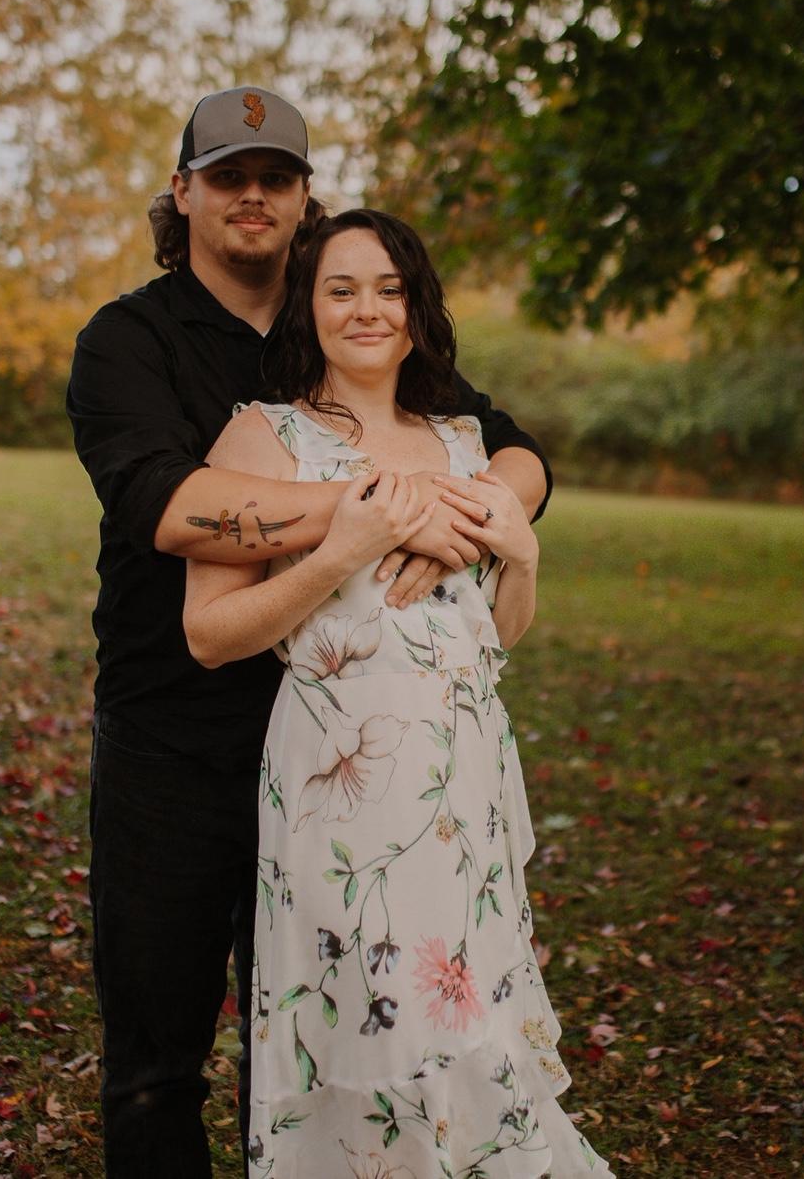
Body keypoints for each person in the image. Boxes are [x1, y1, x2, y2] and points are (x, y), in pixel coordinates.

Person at [66, 87, 552, 1177]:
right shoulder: (129, 340)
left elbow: (512, 452)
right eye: (228, 177)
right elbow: (164, 506)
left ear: (301, 197)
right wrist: (379, 510)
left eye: (274, 178)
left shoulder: (345, 310)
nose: (252, 196)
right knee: (157, 1055)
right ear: (183, 192)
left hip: (349, 758)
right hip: (174, 734)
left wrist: (484, 517)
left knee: (313, 1043)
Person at [183, 208, 613, 1177]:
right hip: (343, 792)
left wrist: (523, 558)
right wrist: (341, 549)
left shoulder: (463, 445)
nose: (367, 309)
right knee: (375, 1022)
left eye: (389, 288)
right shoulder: (263, 437)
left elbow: (494, 635)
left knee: (468, 1020)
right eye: (340, 289)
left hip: (463, 786)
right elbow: (208, 633)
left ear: (418, 309)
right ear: (308, 306)